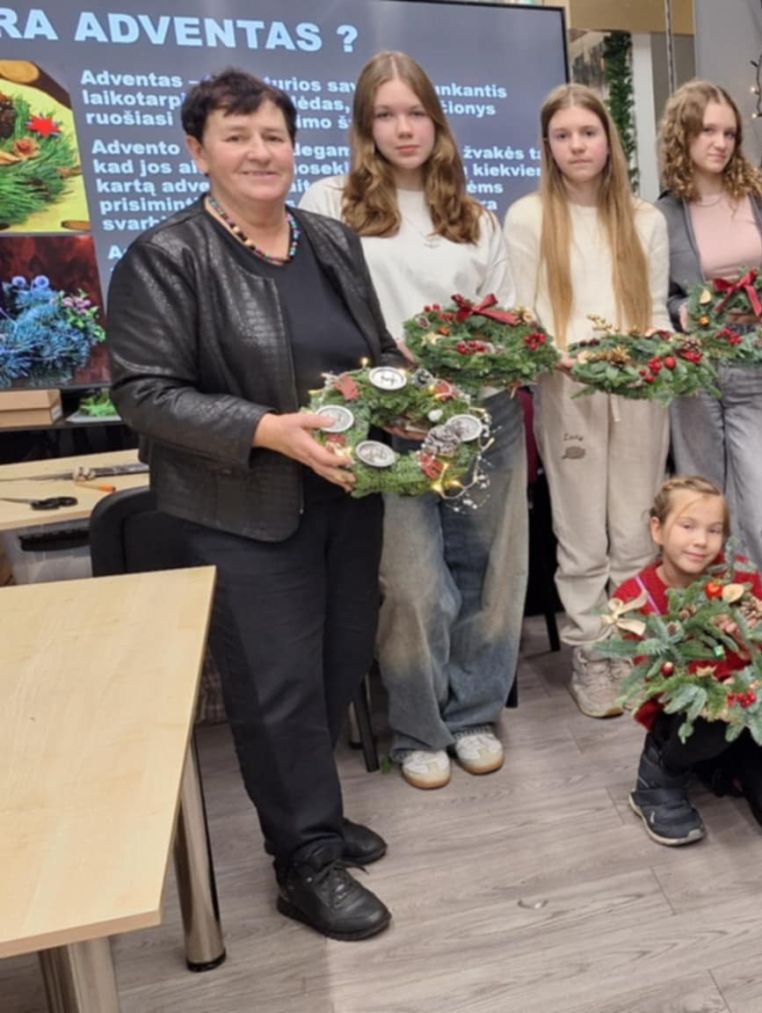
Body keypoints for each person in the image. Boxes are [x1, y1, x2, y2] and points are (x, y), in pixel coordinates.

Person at [109, 69, 399, 940]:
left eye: (273, 135)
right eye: (236, 137)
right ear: (198, 152)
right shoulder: (167, 257)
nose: (260, 152)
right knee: (277, 687)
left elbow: (374, 349)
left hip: (347, 493)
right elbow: (144, 394)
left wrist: (408, 392)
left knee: (340, 658)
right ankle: (303, 859)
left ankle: (317, 812)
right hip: (241, 509)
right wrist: (269, 429)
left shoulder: (329, 239)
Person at [299, 51, 523, 791]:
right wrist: (390, 388)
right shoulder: (330, 203)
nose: (403, 129)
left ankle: (475, 716)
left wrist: (473, 376)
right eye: (386, 114)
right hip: (384, 426)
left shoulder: (475, 217)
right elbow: (317, 313)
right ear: (365, 125)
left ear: (437, 120)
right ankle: (420, 729)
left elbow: (503, 322)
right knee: (412, 584)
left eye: (416, 113)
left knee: (489, 575)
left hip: (481, 417)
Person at [505, 84, 672, 718]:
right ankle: (591, 652)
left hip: (638, 392)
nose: (577, 145)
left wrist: (662, 351)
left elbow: (655, 312)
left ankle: (631, 644)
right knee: (579, 535)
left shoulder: (645, 219)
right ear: (547, 145)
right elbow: (524, 318)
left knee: (634, 529)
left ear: (608, 140)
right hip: (567, 389)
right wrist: (559, 356)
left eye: (588, 132)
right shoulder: (528, 218)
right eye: (563, 135)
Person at [655, 80, 762, 604]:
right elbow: (658, 298)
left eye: (728, 132)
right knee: (699, 512)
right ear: (683, 136)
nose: (719, 143)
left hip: (756, 370)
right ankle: (708, 623)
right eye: (707, 131)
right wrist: (683, 313)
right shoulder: (662, 215)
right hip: (694, 374)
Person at [620, 476, 762, 847]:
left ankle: (718, 764)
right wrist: (702, 641)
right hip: (682, 716)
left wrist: (747, 640)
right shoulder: (636, 598)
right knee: (709, 720)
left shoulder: (740, 577)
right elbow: (658, 686)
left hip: (747, 709)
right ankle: (660, 774)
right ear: (657, 530)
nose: (701, 541)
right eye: (687, 526)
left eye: (714, 530)